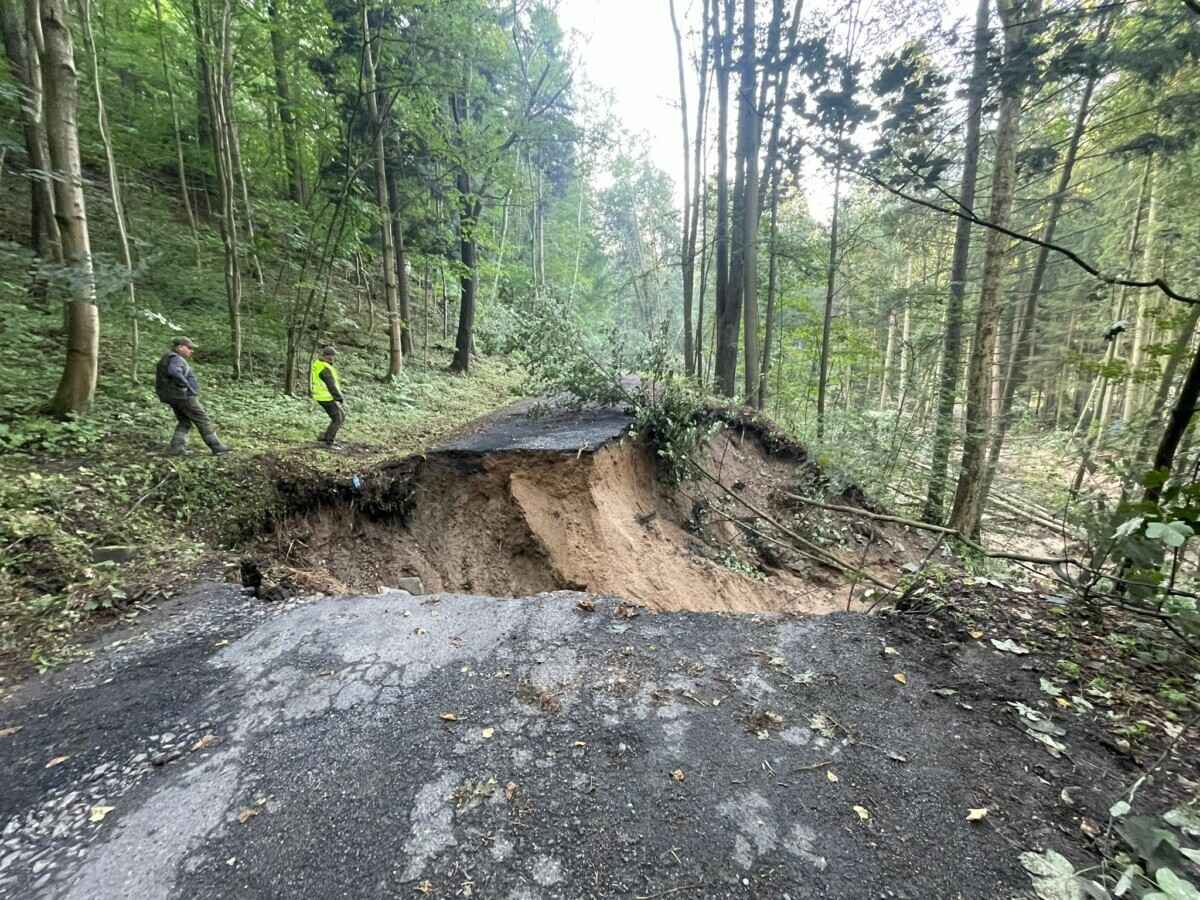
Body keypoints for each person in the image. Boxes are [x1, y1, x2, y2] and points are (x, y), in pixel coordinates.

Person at [154, 337, 231, 455]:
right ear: (180, 347)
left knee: (184, 421)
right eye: (189, 348)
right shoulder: (176, 358)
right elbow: (174, 372)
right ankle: (217, 447)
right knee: (202, 418)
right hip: (183, 396)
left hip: (172, 396)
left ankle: (177, 448)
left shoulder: (167, 357)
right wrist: (187, 386)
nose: (191, 350)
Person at [311, 345, 346, 447]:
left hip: (322, 395)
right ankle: (328, 442)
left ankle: (325, 436)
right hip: (326, 396)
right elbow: (330, 384)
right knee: (338, 419)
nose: (333, 358)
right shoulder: (324, 368)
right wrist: (338, 398)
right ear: (328, 357)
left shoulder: (319, 364)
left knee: (341, 416)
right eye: (333, 356)